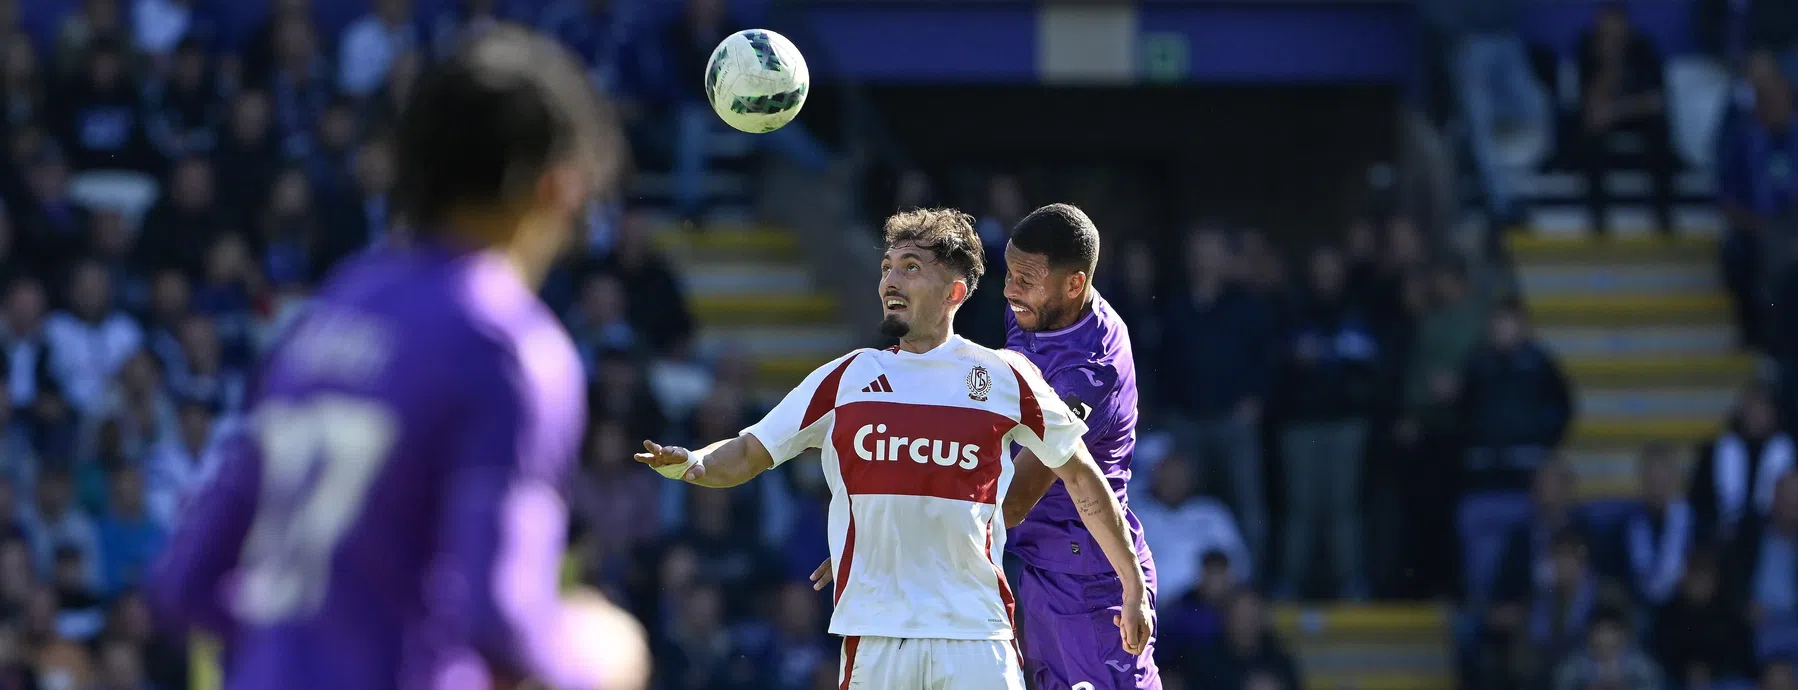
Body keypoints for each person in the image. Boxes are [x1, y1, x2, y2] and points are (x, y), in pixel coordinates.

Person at [143, 26, 648, 690]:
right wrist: (604, 650)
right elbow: (499, 622)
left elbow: (183, 583)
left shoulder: (330, 311)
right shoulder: (504, 345)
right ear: (558, 185)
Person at [635, 208, 1153, 689]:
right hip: (877, 637)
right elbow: (750, 451)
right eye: (887, 267)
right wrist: (696, 464)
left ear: (954, 291)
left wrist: (1132, 587)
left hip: (977, 637)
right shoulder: (846, 378)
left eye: (910, 267)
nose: (890, 280)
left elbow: (1083, 479)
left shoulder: (1005, 377)